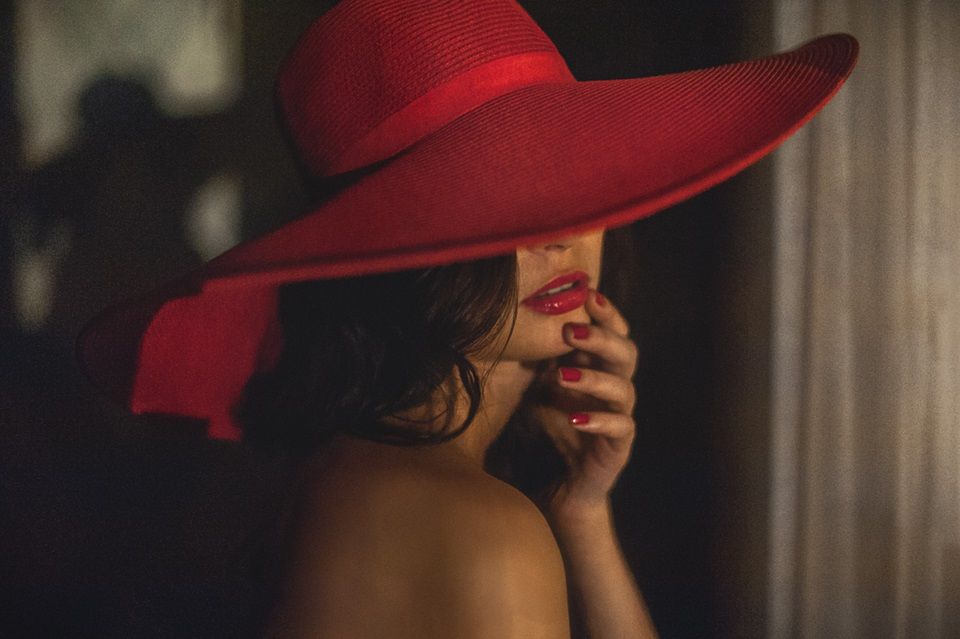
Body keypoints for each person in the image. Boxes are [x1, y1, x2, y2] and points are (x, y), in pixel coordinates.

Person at [77, 0, 858, 636]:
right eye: (498, 202)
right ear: (401, 254)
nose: (559, 234)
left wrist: (582, 514)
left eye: (570, 179)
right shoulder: (473, 527)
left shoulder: (363, 479)